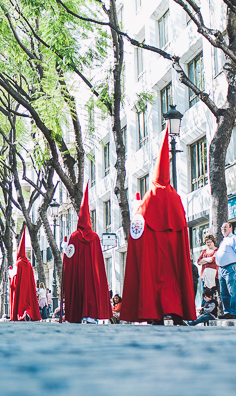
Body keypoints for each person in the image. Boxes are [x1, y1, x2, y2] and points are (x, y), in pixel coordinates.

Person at [120, 128, 196, 324]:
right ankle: (177, 313)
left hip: (153, 258)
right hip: (172, 256)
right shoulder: (175, 197)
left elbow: (138, 229)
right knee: (173, 280)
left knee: (153, 280)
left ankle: (156, 315)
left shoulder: (149, 198)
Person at [61, 183, 112, 324]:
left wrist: (65, 249)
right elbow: (99, 261)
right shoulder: (95, 237)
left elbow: (69, 258)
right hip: (92, 274)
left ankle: (78, 315)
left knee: (79, 292)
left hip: (78, 274)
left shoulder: (74, 236)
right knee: (91, 291)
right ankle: (90, 315)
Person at [11, 227, 41, 321]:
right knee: (28, 301)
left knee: (20, 301)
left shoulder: (18, 263)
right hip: (28, 288)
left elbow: (14, 278)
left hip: (20, 287)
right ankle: (28, 312)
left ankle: (21, 314)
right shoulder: (28, 264)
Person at [215, 222, 236, 319]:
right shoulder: (224, 240)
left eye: (226, 227)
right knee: (224, 292)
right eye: (222, 227)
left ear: (231, 228)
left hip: (231, 267)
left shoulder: (233, 239)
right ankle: (227, 312)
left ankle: (235, 312)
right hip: (221, 269)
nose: (223, 229)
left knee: (233, 291)